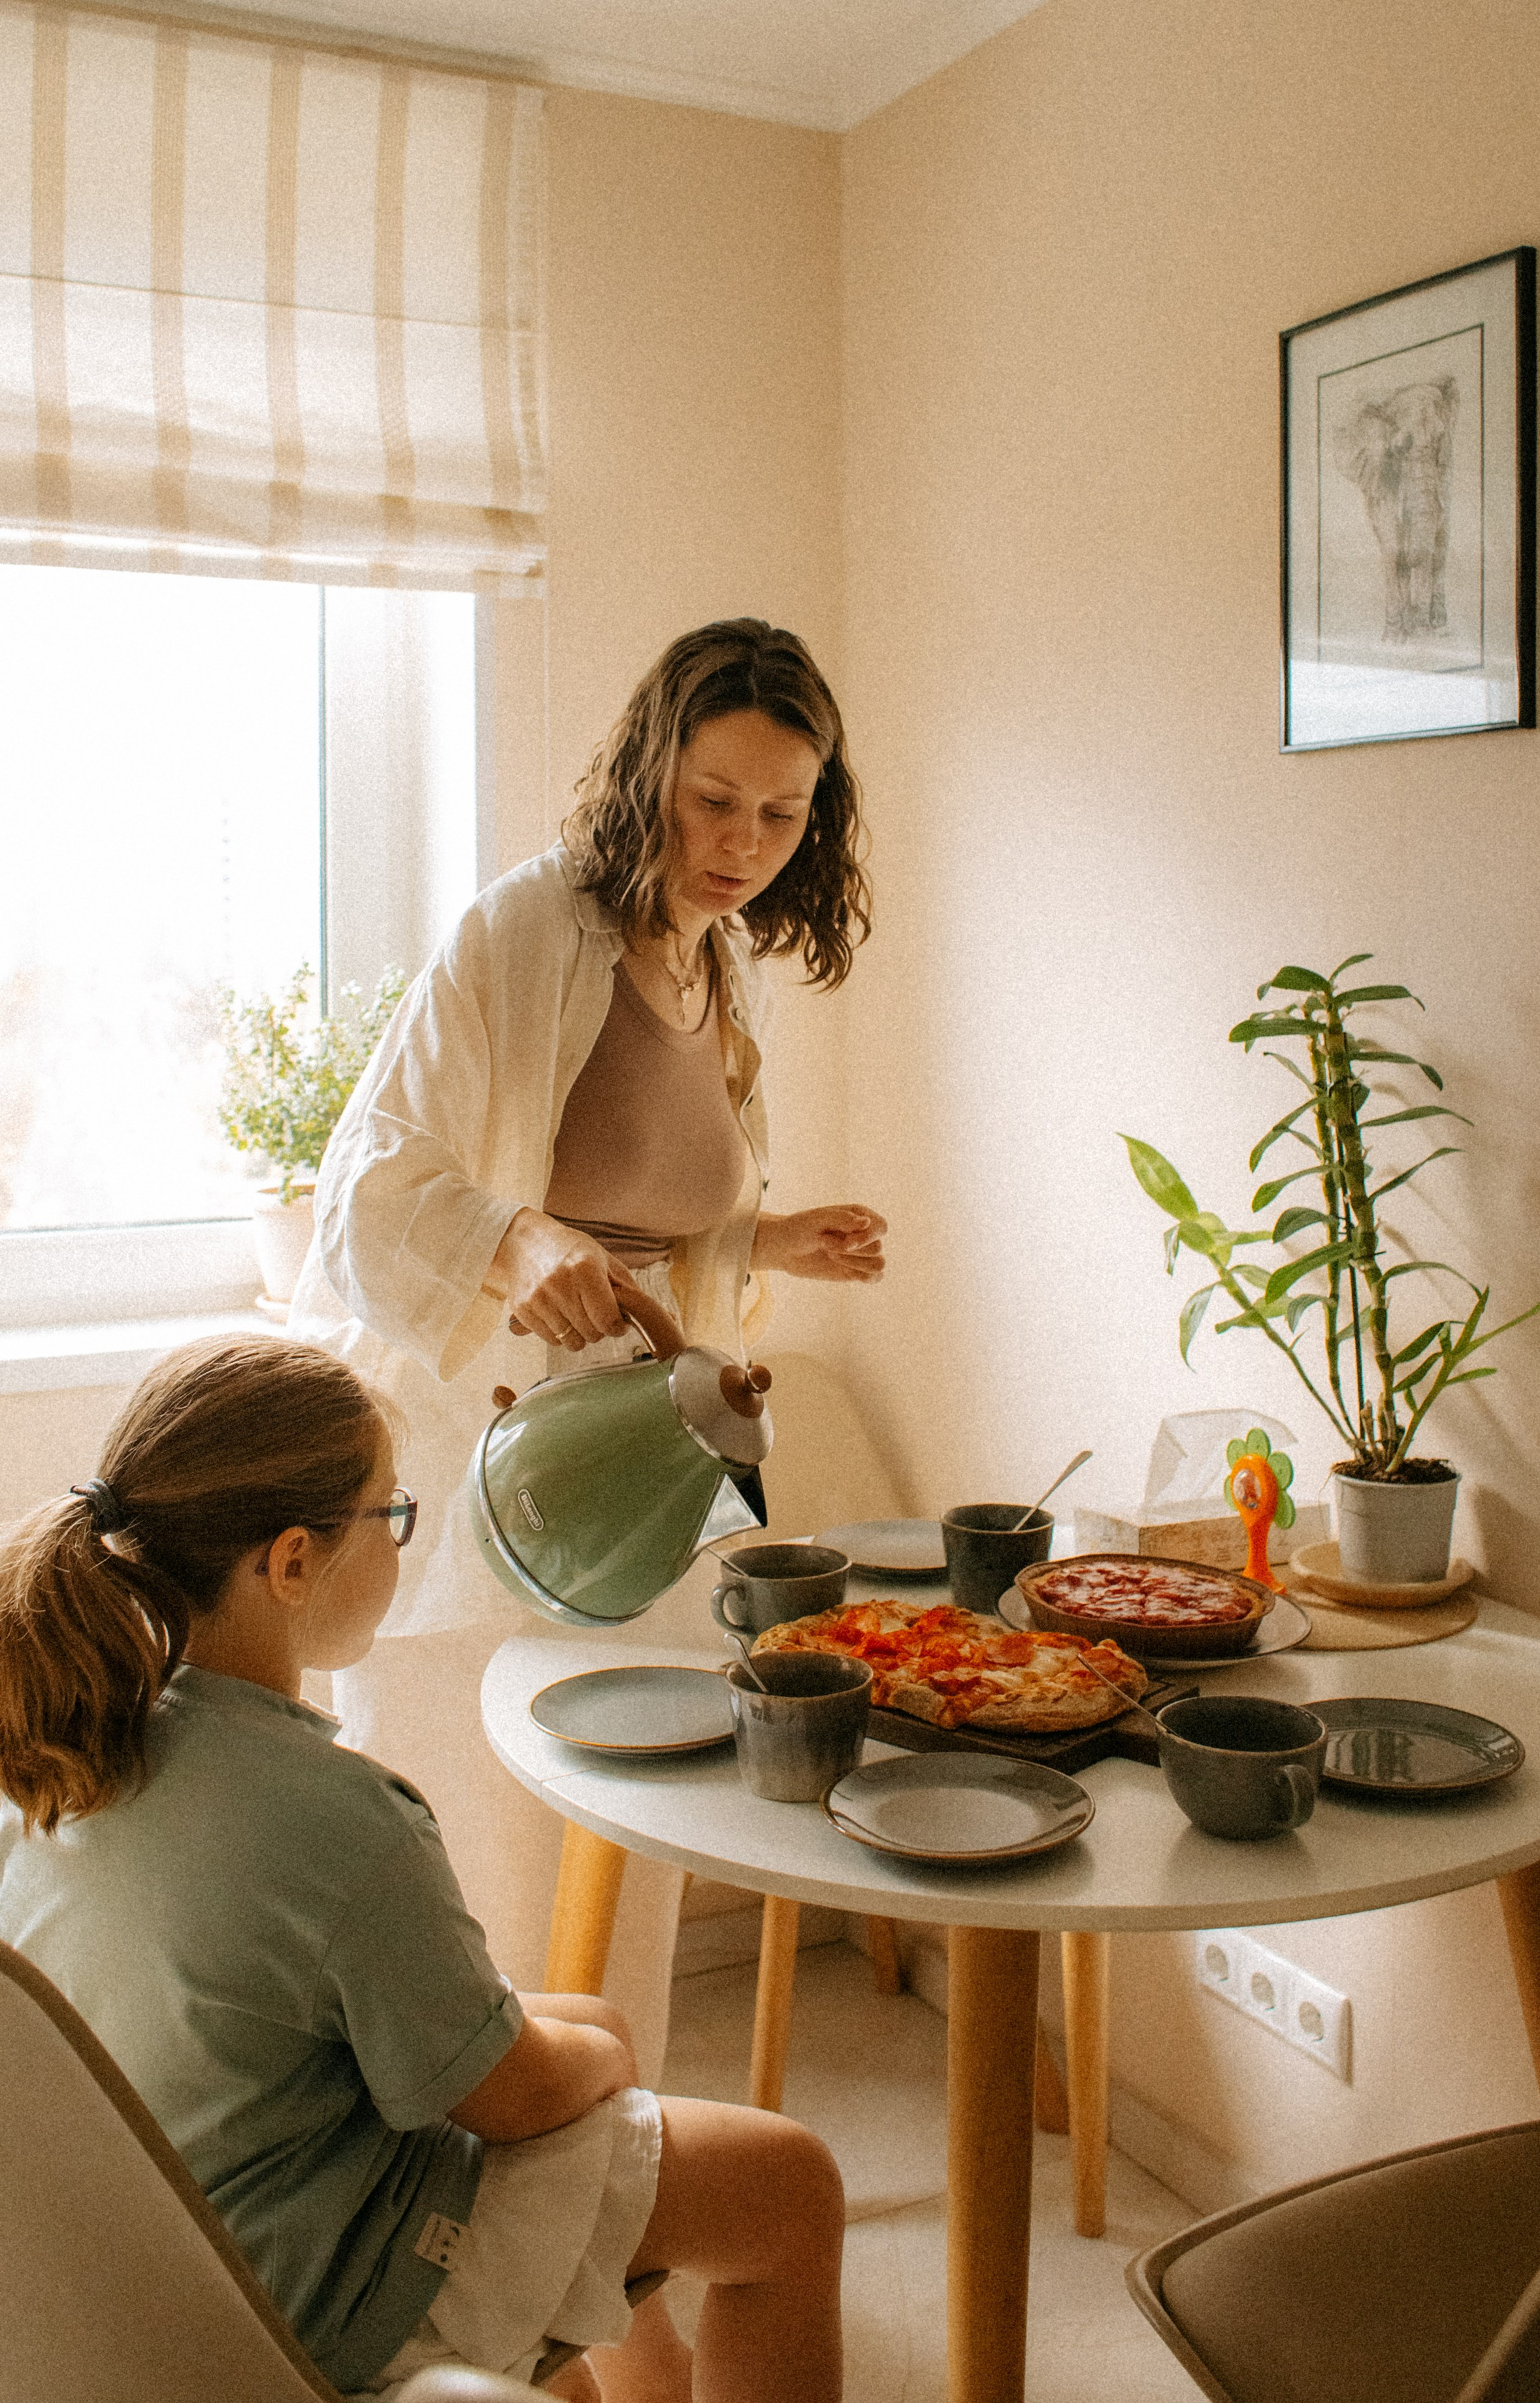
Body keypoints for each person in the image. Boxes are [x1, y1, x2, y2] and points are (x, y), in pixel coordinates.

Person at [0, 1335, 845, 2402]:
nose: (407, 1539)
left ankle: (639, 2374)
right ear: (294, 1560)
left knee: (596, 2026)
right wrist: (601, 2066)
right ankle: (627, 2354)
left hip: (171, 2252)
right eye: (391, 1515)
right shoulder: (341, 1818)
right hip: (320, 2293)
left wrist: (594, 2047)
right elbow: (515, 2100)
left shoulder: (61, 1747)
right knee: (787, 2182)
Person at [287, 619, 887, 2047]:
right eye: (712, 799)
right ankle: (475, 2175)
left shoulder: (719, 969)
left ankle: (614, 2169)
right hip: (504, 1445)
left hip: (647, 1445)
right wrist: (516, 1239)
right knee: (482, 1842)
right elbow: (371, 1174)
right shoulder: (528, 930)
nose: (742, 842)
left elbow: (650, 1223)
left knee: (634, 1815)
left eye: (780, 813)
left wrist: (760, 1239)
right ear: (647, 776)